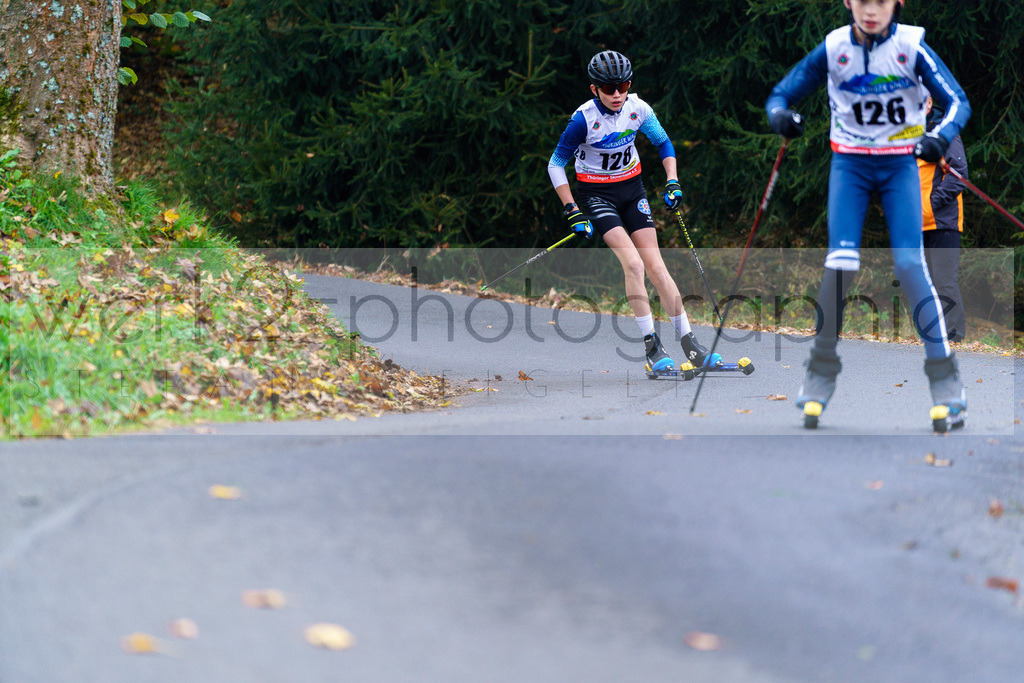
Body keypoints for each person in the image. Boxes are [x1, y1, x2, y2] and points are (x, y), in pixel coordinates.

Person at [764, 0, 972, 432]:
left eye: (880, 1)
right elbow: (781, 95)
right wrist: (781, 117)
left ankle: (946, 382)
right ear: (848, 2)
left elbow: (957, 101)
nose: (871, 10)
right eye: (863, 1)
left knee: (910, 263)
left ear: (896, 2)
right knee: (840, 262)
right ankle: (819, 373)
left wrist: (939, 137)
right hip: (851, 165)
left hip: (899, 166)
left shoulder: (911, 45)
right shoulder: (834, 46)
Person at [547, 50, 721, 374]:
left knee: (656, 266)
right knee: (634, 264)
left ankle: (690, 344)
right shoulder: (582, 120)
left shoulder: (638, 109)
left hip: (632, 190)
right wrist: (572, 209)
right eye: (608, 88)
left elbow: (663, 143)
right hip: (597, 195)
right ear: (594, 89)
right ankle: (652, 348)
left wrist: (673, 180)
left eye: (623, 86)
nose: (617, 94)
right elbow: (556, 164)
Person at [919, 94, 967, 343]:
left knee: (944, 281)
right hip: (917, 222)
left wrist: (930, 204)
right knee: (924, 281)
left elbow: (959, 174)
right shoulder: (907, 134)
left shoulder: (944, 132)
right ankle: (934, 331)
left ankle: (954, 334)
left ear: (928, 103)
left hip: (943, 221)